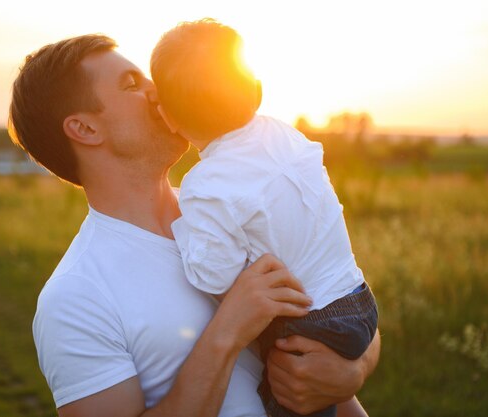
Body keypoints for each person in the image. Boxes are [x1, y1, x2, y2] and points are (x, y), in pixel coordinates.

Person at [8, 34, 380, 417]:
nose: (159, 92)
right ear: (85, 129)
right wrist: (228, 330)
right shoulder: (75, 297)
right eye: (133, 85)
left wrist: (352, 371)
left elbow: (344, 295)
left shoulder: (242, 202)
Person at [150, 20, 378, 417]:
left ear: (170, 118)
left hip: (309, 321)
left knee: (289, 401)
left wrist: (184, 227)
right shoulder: (286, 135)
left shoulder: (205, 184)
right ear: (256, 90)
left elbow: (214, 276)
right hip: (358, 300)